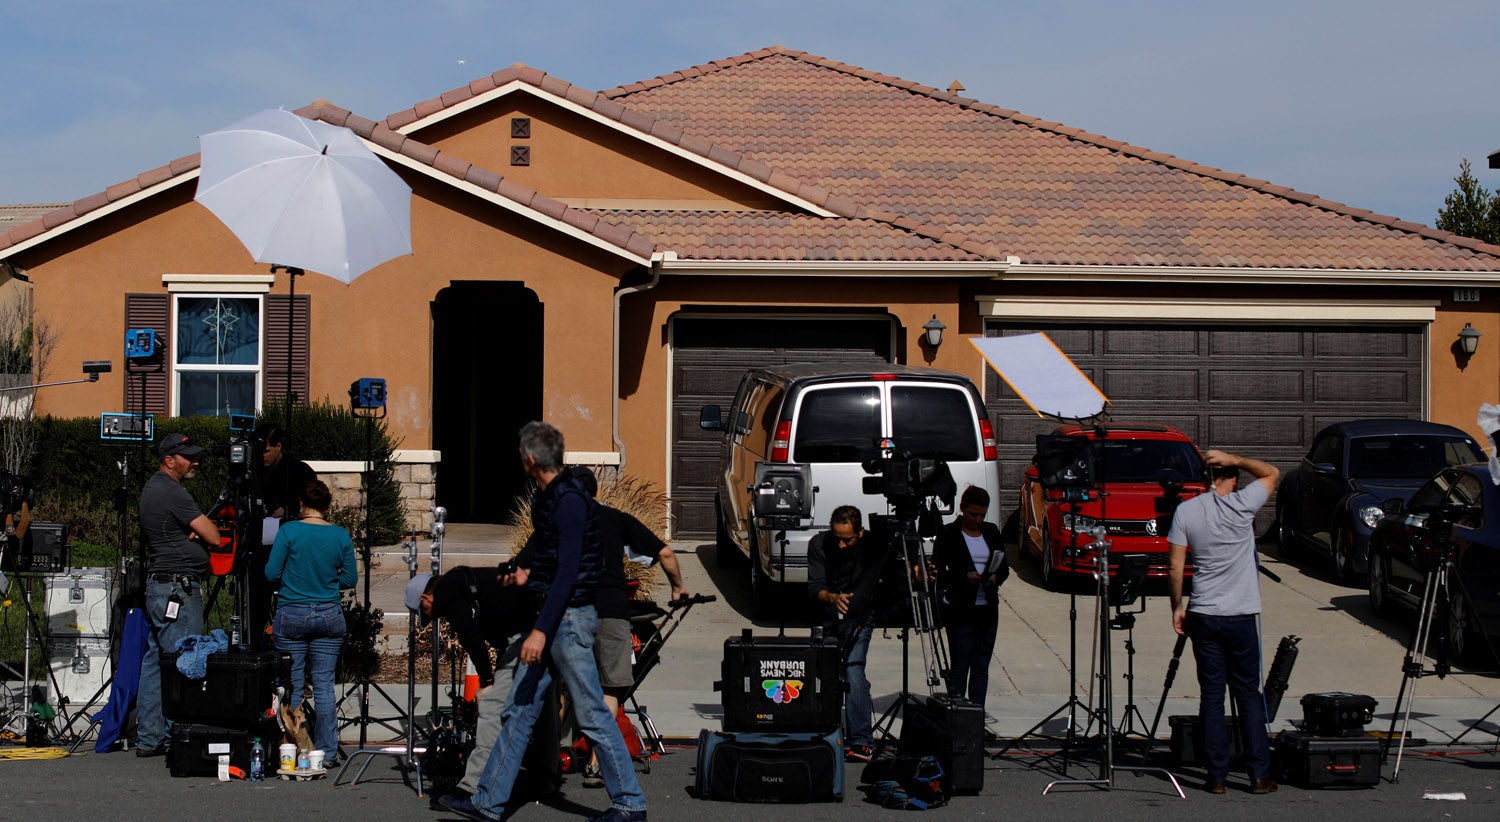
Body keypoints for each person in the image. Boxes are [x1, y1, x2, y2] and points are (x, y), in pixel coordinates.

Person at [443, 422, 646, 822]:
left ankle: (629, 802)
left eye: (522, 453)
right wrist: (521, 575)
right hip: (555, 618)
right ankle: (487, 802)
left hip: (566, 622)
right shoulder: (556, 500)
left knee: (591, 713)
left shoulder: (568, 502)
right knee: (518, 711)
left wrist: (539, 630)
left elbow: (568, 575)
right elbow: (545, 563)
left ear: (532, 458)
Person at [1167, 448, 1280, 796]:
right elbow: (1272, 473)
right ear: (1231, 479)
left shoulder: (1187, 511)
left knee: (1212, 695)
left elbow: (1175, 565)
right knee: (1248, 694)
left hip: (1204, 612)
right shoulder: (1243, 504)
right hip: (1240, 614)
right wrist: (1236, 459)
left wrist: (1177, 606)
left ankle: (1216, 775)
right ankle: (1259, 774)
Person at [406, 566, 537, 798]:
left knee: (491, 707)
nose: (431, 618)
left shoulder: (447, 590)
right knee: (538, 708)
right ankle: (544, 778)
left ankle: (472, 789)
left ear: (425, 597)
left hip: (526, 637)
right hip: (537, 628)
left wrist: (486, 682)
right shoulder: (465, 584)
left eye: (425, 612)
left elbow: (470, 636)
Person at [134, 432, 220, 758]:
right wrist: (199, 531)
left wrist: (188, 532)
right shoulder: (173, 492)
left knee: (157, 661)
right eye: (189, 457)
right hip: (177, 588)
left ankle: (149, 737)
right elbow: (214, 536)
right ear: (169, 461)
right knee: (184, 661)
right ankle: (179, 739)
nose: (195, 462)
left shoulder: (153, 488)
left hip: (161, 586)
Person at [264, 479, 357, 764]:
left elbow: (271, 573)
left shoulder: (289, 531)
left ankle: (295, 747)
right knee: (324, 685)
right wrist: (326, 582)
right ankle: (326, 751)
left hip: (292, 610)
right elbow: (350, 578)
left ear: (300, 503)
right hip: (328, 613)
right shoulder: (340, 535)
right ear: (328, 505)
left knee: (293, 683)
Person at [807, 505, 882, 762]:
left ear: (859, 532)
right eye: (837, 538)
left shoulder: (872, 544)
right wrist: (832, 598)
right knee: (823, 672)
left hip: (860, 618)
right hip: (826, 617)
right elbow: (814, 586)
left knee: (853, 670)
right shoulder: (819, 544)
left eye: (847, 540)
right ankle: (824, 732)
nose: (841, 545)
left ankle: (860, 739)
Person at [931, 485, 1007, 717]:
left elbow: (1003, 567)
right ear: (962, 509)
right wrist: (963, 577)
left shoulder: (991, 531)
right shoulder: (949, 533)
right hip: (961, 607)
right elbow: (939, 571)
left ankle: (976, 717)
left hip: (987, 608)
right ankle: (957, 718)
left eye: (982, 515)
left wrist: (994, 577)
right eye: (973, 514)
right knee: (960, 666)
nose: (978, 520)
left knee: (981, 667)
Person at [249, 424, 317, 648]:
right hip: (261, 548)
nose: (263, 456)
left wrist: (289, 511)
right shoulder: (255, 472)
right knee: (258, 599)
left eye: (266, 451)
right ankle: (256, 640)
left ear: (278, 446)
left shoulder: (299, 471)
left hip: (293, 549)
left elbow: (313, 506)